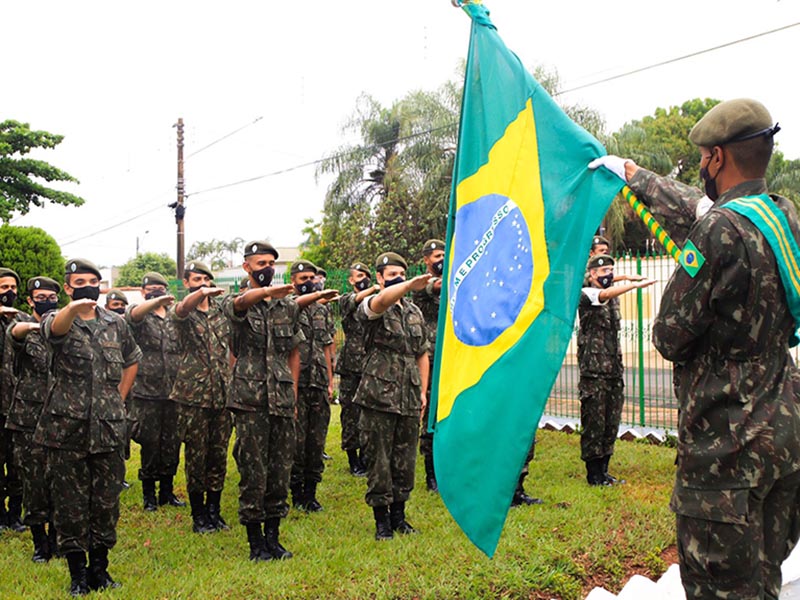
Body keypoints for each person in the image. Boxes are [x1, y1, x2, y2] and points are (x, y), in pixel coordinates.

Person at [590, 98, 800, 599]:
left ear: (719, 158)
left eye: (704, 156)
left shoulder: (715, 233)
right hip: (784, 441)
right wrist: (634, 175)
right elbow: (706, 210)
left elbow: (669, 334)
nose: (702, 166)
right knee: (763, 580)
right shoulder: (783, 218)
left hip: (726, 450)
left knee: (720, 589)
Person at [34, 258, 141, 595]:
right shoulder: (57, 318)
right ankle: (77, 575)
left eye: (92, 281)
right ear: (67, 287)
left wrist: (118, 399)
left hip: (108, 430)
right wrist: (74, 306)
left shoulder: (116, 323)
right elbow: (54, 331)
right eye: (79, 282)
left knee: (106, 504)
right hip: (67, 431)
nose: (87, 287)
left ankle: (100, 570)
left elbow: (131, 358)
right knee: (70, 505)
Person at [224, 241, 303, 561]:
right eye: (260, 263)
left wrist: (293, 393)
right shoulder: (238, 302)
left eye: (271, 262)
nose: (267, 268)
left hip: (281, 397)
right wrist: (267, 293)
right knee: (253, 471)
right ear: (247, 268)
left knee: (280, 470)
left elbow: (294, 352)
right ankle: (255, 543)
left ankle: (274, 537)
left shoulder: (289, 307)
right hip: (250, 399)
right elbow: (240, 304)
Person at [354, 252, 430, 540]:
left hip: (408, 394)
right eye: (391, 274)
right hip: (378, 395)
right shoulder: (373, 304)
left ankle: (399, 515)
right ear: (380, 278)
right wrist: (408, 284)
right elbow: (382, 301)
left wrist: (422, 391)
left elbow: (421, 353)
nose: (397, 277)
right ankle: (381, 521)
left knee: (405, 458)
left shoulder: (414, 312)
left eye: (401, 272)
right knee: (379, 459)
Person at [578, 255, 655, 486]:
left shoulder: (612, 296)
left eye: (611, 270)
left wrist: (626, 276)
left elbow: (610, 287)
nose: (607, 275)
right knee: (595, 422)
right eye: (602, 272)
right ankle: (593, 474)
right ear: (592, 275)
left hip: (613, 367)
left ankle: (604, 471)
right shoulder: (586, 294)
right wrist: (632, 285)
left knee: (611, 421)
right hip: (593, 370)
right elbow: (603, 294)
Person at [170, 261, 232, 534]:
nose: (203, 283)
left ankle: (214, 510)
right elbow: (182, 310)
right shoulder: (182, 311)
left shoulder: (221, 312)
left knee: (218, 455)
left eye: (206, 279)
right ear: (186, 283)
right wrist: (200, 294)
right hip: (193, 395)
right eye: (196, 279)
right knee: (196, 456)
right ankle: (199, 515)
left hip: (221, 393)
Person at [6, 276, 61, 562]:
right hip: (28, 419)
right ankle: (40, 543)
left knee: (60, 482)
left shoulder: (64, 329)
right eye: (40, 296)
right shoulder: (21, 328)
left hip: (60, 416)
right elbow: (14, 335)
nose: (46, 300)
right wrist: (33, 327)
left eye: (51, 296)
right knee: (34, 483)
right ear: (30, 300)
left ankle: (58, 539)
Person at [125, 272, 184, 512]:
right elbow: (134, 316)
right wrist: (155, 302)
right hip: (147, 391)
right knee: (150, 443)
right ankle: (149, 494)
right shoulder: (138, 313)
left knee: (172, 442)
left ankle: (167, 491)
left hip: (174, 391)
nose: (157, 291)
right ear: (143, 292)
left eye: (161, 288)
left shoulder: (174, 317)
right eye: (152, 288)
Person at [289, 260, 336, 512]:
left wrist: (330, 381)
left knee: (316, 440)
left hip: (317, 381)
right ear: (293, 280)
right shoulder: (286, 307)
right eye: (303, 278)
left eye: (312, 278)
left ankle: (311, 492)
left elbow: (327, 346)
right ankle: (295, 491)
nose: (309, 282)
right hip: (295, 383)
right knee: (296, 441)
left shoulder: (322, 310)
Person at [336, 261, 377, 477]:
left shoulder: (375, 301)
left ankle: (367, 455)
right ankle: (353, 459)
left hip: (371, 364)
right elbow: (355, 300)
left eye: (366, 276)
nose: (363, 279)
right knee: (351, 413)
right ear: (351, 280)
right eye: (359, 276)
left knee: (369, 413)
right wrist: (376, 288)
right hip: (352, 366)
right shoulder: (345, 300)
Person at [411, 239, 444, 493]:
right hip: (430, 357)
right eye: (437, 256)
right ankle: (431, 473)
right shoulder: (423, 283)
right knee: (431, 415)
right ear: (426, 260)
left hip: (451, 355)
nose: (441, 260)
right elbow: (438, 285)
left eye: (445, 255)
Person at [0, 267, 27, 534]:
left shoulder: (23, 320)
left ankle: (16, 514)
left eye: (13, 287)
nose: (10, 292)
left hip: (19, 407)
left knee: (18, 465)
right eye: (3, 287)